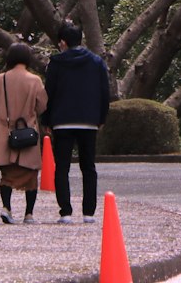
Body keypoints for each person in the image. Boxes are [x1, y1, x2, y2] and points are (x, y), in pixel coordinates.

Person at [41, 22, 112, 224]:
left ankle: (66, 212)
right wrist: (101, 118)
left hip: (62, 121)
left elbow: (49, 93)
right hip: (89, 120)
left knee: (62, 167)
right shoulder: (97, 62)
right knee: (88, 166)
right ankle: (89, 213)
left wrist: (46, 120)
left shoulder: (56, 63)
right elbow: (104, 93)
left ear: (62, 42)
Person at [0, 41, 47, 225]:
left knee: (7, 174)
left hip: (6, 134)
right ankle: (29, 214)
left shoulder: (1, 79)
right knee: (30, 176)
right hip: (27, 134)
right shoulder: (35, 80)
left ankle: (6, 207)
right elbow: (42, 106)